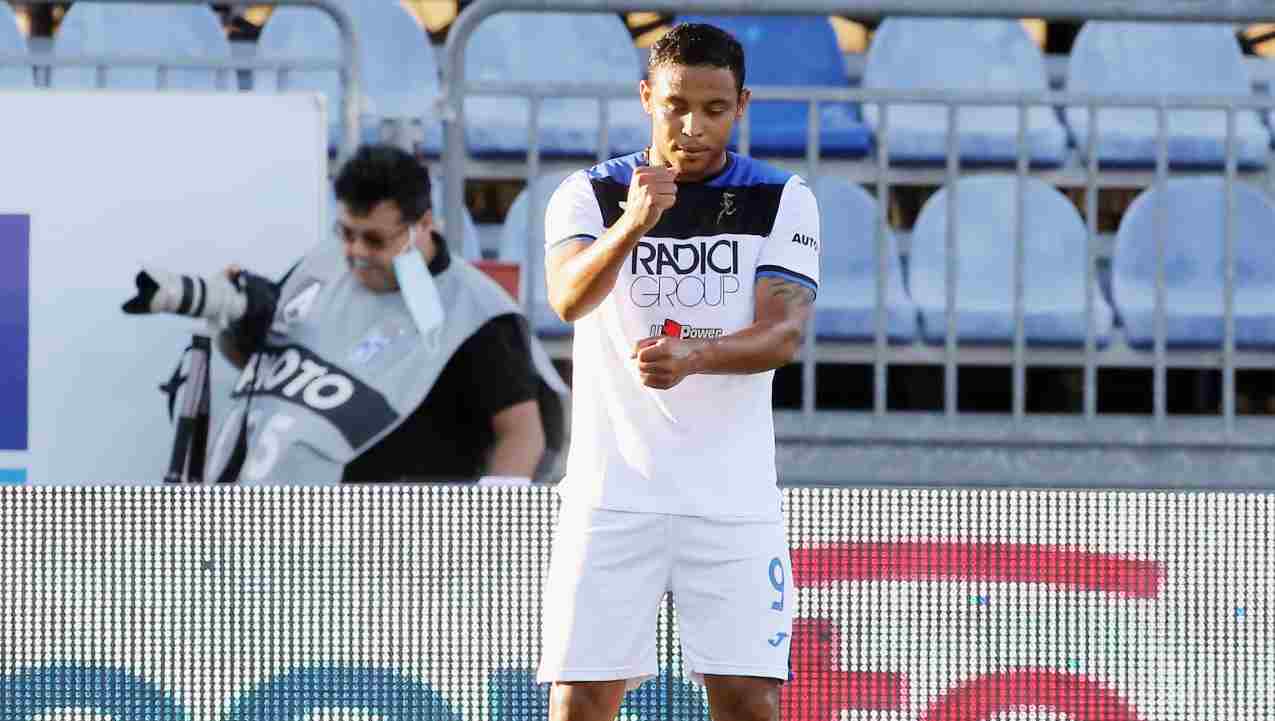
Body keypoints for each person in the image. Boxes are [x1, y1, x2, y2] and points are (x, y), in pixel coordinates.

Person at [537, 23, 819, 721]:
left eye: (714, 109)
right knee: (582, 700)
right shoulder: (589, 194)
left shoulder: (782, 198)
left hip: (731, 497)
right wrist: (633, 223)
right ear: (645, 98)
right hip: (610, 493)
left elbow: (782, 335)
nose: (692, 127)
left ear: (741, 104)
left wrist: (695, 355)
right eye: (674, 106)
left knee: (749, 700)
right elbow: (568, 297)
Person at [207, 144, 565, 484]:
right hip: (280, 507)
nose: (356, 251)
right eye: (346, 233)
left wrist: (491, 527)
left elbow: (522, 434)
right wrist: (238, 325)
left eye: (375, 240)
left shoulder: (477, 312)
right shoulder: (320, 264)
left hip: (401, 526)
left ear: (423, 225)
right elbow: (255, 363)